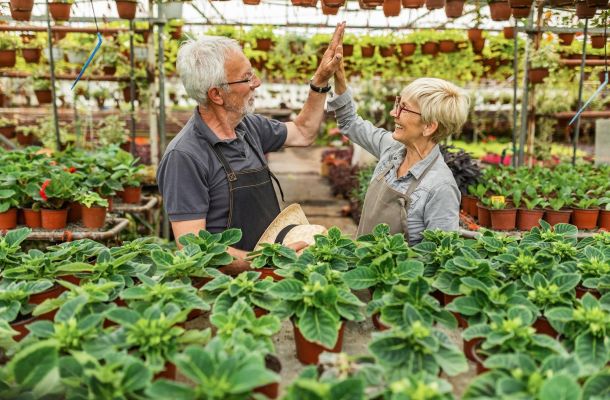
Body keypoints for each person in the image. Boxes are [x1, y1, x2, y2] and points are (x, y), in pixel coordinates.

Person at [157, 23, 346, 270]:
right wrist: (266, 260)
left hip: (270, 272)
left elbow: (302, 132)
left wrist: (320, 81)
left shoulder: (249, 127)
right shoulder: (185, 156)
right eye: (247, 77)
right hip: (226, 291)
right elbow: (193, 250)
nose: (256, 82)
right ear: (217, 94)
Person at [327, 62, 470, 245]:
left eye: (404, 108)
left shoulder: (440, 188)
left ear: (428, 126)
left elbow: (439, 260)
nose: (393, 112)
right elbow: (349, 122)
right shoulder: (392, 148)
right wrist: (339, 77)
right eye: (397, 103)